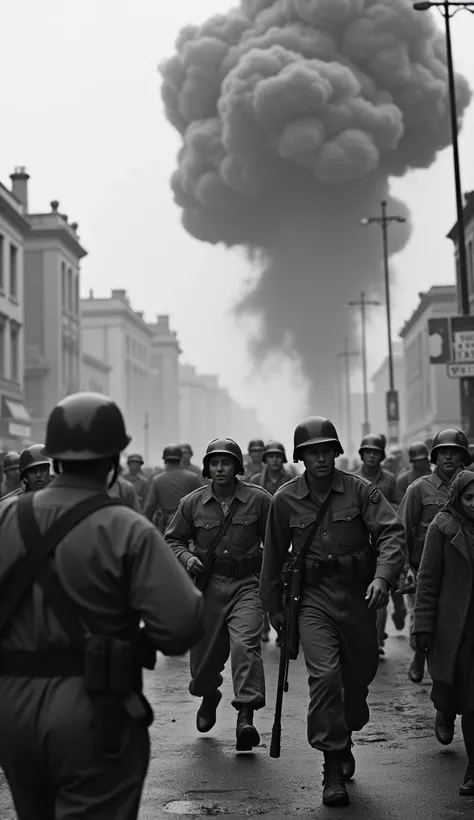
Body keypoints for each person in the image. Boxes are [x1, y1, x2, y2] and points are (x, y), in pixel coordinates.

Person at [0, 391, 204, 820]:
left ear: (53, 459)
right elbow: (181, 625)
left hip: (10, 709)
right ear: (114, 461)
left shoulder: (6, 519)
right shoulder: (126, 528)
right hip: (94, 707)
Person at [260, 416, 405, 808]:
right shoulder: (284, 499)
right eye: (312, 452)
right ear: (301, 456)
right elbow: (272, 558)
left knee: (356, 680)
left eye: (326, 450)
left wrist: (383, 577)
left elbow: (391, 532)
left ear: (337, 452)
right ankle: (332, 767)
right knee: (324, 677)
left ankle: (347, 730)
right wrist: (273, 609)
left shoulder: (361, 491)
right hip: (312, 600)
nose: (321, 458)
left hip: (359, 596)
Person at [165, 438, 271, 752]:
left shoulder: (258, 500)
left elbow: (277, 543)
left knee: (245, 646)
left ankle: (245, 716)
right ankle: (209, 694)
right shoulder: (192, 503)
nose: (220, 468)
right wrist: (187, 558)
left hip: (246, 585)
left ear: (237, 467)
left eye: (226, 462)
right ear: (207, 468)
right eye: (214, 463)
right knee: (203, 663)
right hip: (208, 587)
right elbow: (172, 540)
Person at [413, 471, 474, 796]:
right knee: (460, 695)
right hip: (456, 629)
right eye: (469, 498)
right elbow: (428, 580)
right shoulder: (442, 527)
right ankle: (446, 710)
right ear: (457, 498)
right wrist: (422, 626)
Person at [398, 428, 469, 684]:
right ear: (435, 457)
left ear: (463, 456)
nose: (448, 457)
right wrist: (405, 566)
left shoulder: (469, 488)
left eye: (454, 452)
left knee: (455, 620)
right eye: (443, 452)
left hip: (461, 569)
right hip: (423, 569)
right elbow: (402, 531)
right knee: (424, 616)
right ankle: (420, 656)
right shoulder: (419, 489)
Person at [353, 434, 405, 653]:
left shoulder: (390, 480)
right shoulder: (353, 479)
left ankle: (378, 639)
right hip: (361, 542)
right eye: (368, 452)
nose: (372, 456)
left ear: (381, 456)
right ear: (362, 455)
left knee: (381, 586)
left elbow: (399, 508)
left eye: (375, 452)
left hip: (383, 540)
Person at [250, 441, 291, 643]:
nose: (274, 459)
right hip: (262, 533)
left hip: (287, 534)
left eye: (277, 456)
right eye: (270, 456)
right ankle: (264, 624)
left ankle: (283, 622)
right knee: (262, 578)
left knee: (285, 579)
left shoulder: (291, 479)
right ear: (265, 459)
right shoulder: (256, 480)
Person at [144, 444, 201, 531]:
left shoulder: (157, 480)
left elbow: (149, 508)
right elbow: (201, 503)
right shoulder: (193, 477)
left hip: (167, 527)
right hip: (188, 527)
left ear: (165, 461)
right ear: (180, 459)